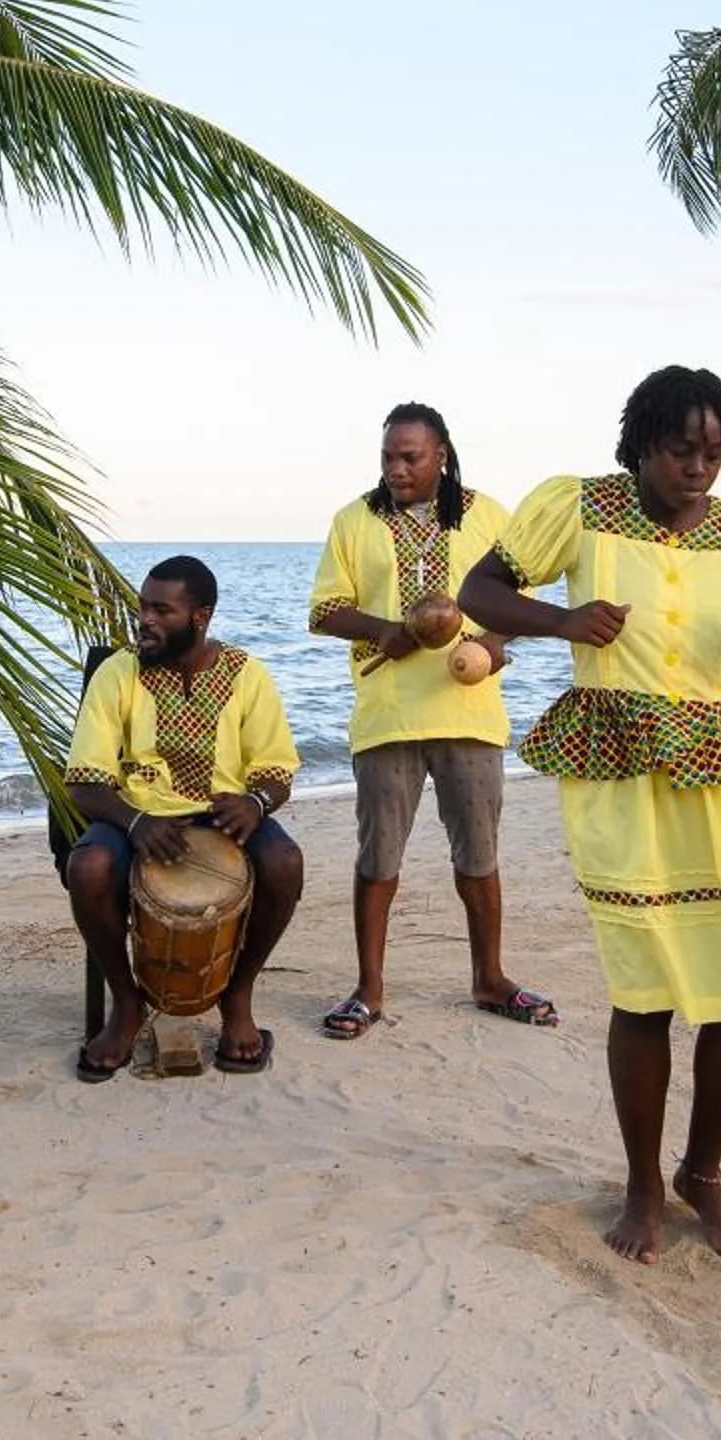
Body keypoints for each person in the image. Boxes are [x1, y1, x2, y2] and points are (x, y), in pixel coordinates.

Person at [457, 366, 721, 1268]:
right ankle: (639, 1182)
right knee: (647, 983)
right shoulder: (577, 509)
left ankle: (702, 1173)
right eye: (680, 450)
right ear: (640, 445)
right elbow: (480, 592)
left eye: (714, 452)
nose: (698, 467)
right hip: (619, 764)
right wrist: (562, 620)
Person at [306, 401, 550, 1039]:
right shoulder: (355, 521)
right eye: (388, 456)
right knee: (378, 856)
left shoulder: (488, 516)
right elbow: (325, 610)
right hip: (388, 715)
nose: (396, 468)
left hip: (468, 711)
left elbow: (516, 599)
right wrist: (384, 628)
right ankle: (369, 989)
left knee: (479, 854)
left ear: (442, 455)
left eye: (410, 457)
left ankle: (489, 978)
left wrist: (495, 644)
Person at [59, 555, 304, 1081]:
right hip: (138, 816)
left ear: (201, 617)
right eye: (143, 606)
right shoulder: (118, 672)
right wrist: (135, 823)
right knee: (88, 867)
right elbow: (83, 781)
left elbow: (278, 770)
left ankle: (237, 1000)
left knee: (284, 862)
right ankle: (126, 1005)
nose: (144, 619)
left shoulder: (247, 675)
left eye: (161, 610)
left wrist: (256, 803)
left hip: (221, 817)